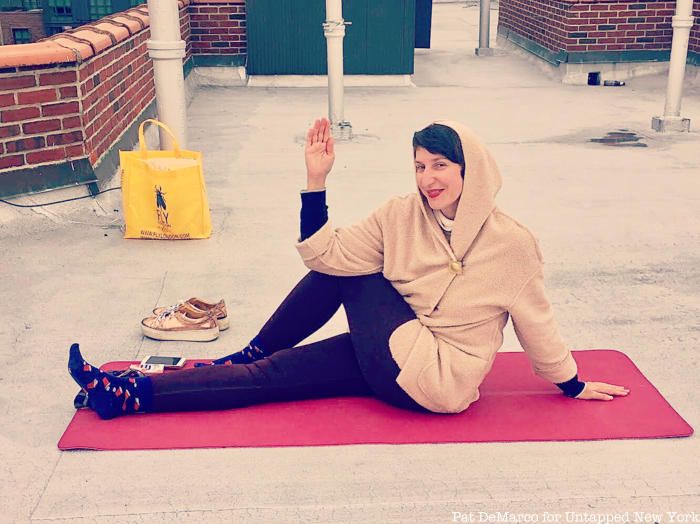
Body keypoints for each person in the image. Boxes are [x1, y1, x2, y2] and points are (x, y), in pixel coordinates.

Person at [68, 117, 629, 420]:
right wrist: (317, 184)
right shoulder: (400, 215)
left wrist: (571, 382)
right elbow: (323, 257)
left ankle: (253, 347)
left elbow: (537, 322)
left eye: (441, 165)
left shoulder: (512, 244)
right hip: (390, 357)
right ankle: (126, 394)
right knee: (271, 378)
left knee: (359, 273)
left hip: (438, 383)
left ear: (470, 170)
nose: (428, 177)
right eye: (418, 166)